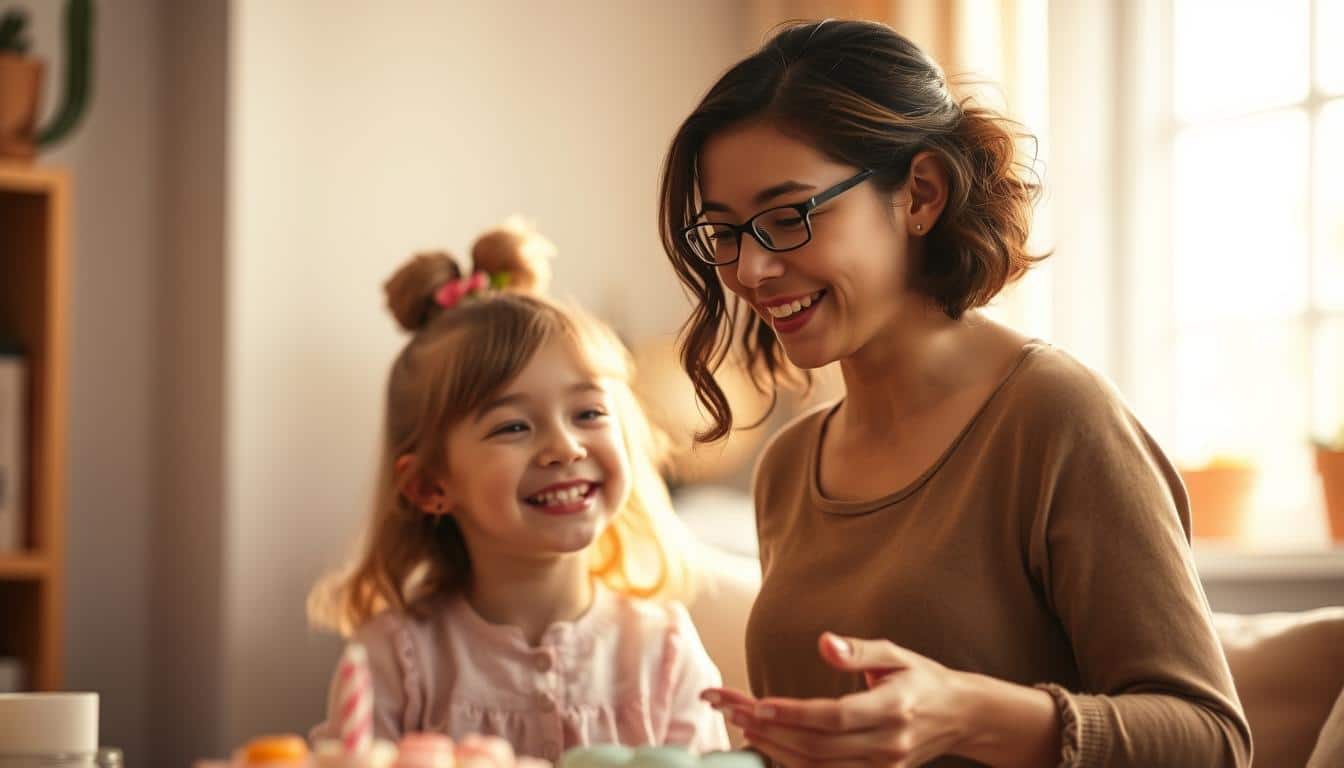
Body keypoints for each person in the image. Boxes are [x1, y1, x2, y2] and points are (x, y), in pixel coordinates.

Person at [658, 19, 1252, 768]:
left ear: (921, 195)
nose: (751, 271)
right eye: (724, 232)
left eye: (787, 217)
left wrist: (968, 714)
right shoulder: (789, 465)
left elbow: (1212, 741)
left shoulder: (1055, 417)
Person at [309, 220, 730, 762]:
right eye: (513, 426)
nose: (565, 447)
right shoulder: (395, 658)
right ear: (428, 485)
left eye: (588, 413)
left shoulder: (663, 649)